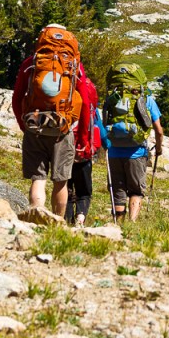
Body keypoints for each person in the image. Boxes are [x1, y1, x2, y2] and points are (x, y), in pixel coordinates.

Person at [11, 24, 84, 221]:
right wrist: (82, 132)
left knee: (38, 178)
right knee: (61, 181)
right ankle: (57, 222)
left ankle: (37, 218)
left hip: (35, 126)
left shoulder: (31, 62)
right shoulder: (74, 64)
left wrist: (23, 124)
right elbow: (84, 98)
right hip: (62, 129)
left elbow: (17, 97)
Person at [104, 64, 164, 222]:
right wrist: (158, 148)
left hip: (114, 151)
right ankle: (131, 224)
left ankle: (117, 225)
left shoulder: (112, 97)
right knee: (136, 191)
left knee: (118, 191)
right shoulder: (146, 99)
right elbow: (159, 130)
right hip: (136, 152)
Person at [66, 69, 103, 226]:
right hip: (83, 156)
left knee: (65, 191)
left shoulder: (65, 98)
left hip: (65, 154)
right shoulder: (91, 109)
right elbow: (98, 130)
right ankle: (80, 219)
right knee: (84, 193)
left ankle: (66, 220)